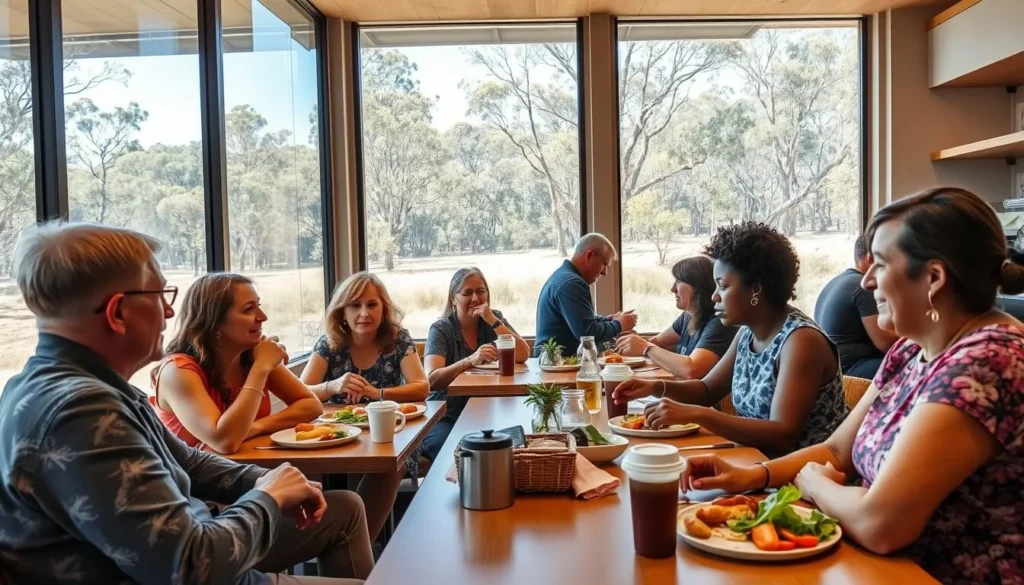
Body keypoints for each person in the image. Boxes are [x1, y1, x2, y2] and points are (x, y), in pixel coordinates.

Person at [679, 188, 1024, 585]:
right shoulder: (911, 349)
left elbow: (880, 523)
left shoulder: (987, 362)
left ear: (933, 278)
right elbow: (837, 450)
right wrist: (752, 475)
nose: (866, 281)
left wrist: (815, 484)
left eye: (880, 264)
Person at [0, 222, 372, 585]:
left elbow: (187, 460)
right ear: (117, 313)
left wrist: (262, 478)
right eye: (159, 296)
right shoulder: (80, 412)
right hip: (211, 563)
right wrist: (269, 497)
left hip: (216, 545)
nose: (169, 312)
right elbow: (193, 565)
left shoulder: (85, 385)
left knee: (345, 511)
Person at [614, 222, 848, 456]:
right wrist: (654, 387)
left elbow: (782, 435)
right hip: (753, 462)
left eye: (723, 286)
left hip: (804, 472)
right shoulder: (747, 333)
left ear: (755, 289)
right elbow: (707, 390)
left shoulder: (801, 341)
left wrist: (700, 414)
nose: (714, 296)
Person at [300, 271, 427, 541]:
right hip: (337, 436)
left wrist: (376, 393)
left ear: (384, 309)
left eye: (372, 305)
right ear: (342, 312)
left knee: (388, 467)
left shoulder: (398, 339)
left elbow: (421, 387)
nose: (364, 313)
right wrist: (332, 386)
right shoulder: (329, 344)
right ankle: (331, 541)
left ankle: (357, 544)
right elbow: (301, 392)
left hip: (393, 435)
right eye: (355, 306)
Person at [151, 273, 324, 454]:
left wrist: (255, 427)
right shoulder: (178, 371)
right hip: (186, 472)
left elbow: (310, 405)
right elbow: (224, 442)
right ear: (215, 322)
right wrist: (261, 368)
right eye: (248, 309)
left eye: (258, 306)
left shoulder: (254, 353)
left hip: (245, 466)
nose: (263, 317)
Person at [421, 268, 530, 465]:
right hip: (447, 413)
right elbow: (432, 379)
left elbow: (523, 353)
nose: (475, 298)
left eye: (481, 291)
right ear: (453, 298)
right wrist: (469, 361)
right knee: (449, 453)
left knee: (518, 442)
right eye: (467, 293)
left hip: (488, 409)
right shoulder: (441, 329)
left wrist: (493, 321)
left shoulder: (493, 319)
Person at [614, 255, 738, 379]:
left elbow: (692, 370)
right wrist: (630, 343)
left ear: (698, 286)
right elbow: (658, 342)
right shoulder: (689, 315)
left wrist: (645, 347)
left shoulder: (719, 323)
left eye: (679, 281)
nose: (673, 289)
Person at [534, 233, 638, 356]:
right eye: (604, 264)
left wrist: (609, 320)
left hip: (554, 362)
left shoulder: (563, 277)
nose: (605, 272)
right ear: (589, 256)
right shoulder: (572, 283)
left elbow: (581, 320)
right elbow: (587, 334)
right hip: (556, 364)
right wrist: (619, 325)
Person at [814, 235, 899, 379]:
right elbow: (886, 343)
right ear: (870, 258)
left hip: (831, 367)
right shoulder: (864, 287)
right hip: (850, 369)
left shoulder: (837, 281)